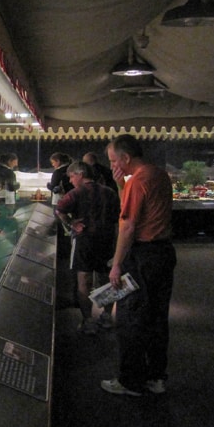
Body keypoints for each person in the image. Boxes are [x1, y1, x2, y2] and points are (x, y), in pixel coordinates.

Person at [102, 134, 176, 396]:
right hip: (163, 253)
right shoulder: (158, 175)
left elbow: (128, 225)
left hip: (143, 256)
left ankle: (130, 381)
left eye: (114, 161)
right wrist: (120, 184)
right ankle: (156, 377)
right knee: (156, 317)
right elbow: (132, 209)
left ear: (125, 157)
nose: (113, 165)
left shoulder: (139, 180)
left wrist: (116, 265)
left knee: (130, 317)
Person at [55, 161, 120, 334]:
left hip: (84, 242)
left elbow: (59, 209)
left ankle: (88, 321)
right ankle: (106, 317)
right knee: (107, 279)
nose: (71, 180)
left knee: (84, 281)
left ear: (80, 174)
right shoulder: (110, 193)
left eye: (72, 176)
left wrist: (70, 223)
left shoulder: (75, 193)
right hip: (106, 241)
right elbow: (118, 218)